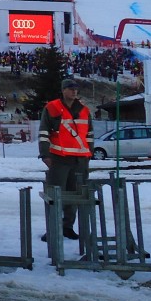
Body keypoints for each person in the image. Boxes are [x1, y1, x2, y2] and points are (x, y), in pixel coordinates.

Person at [38, 78, 93, 244]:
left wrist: (89, 154)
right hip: (59, 158)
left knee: (75, 195)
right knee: (55, 195)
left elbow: (89, 135)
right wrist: (45, 154)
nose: (74, 91)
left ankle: (68, 226)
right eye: (70, 88)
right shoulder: (52, 108)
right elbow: (44, 132)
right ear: (63, 90)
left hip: (80, 160)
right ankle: (53, 228)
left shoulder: (84, 110)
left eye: (76, 89)